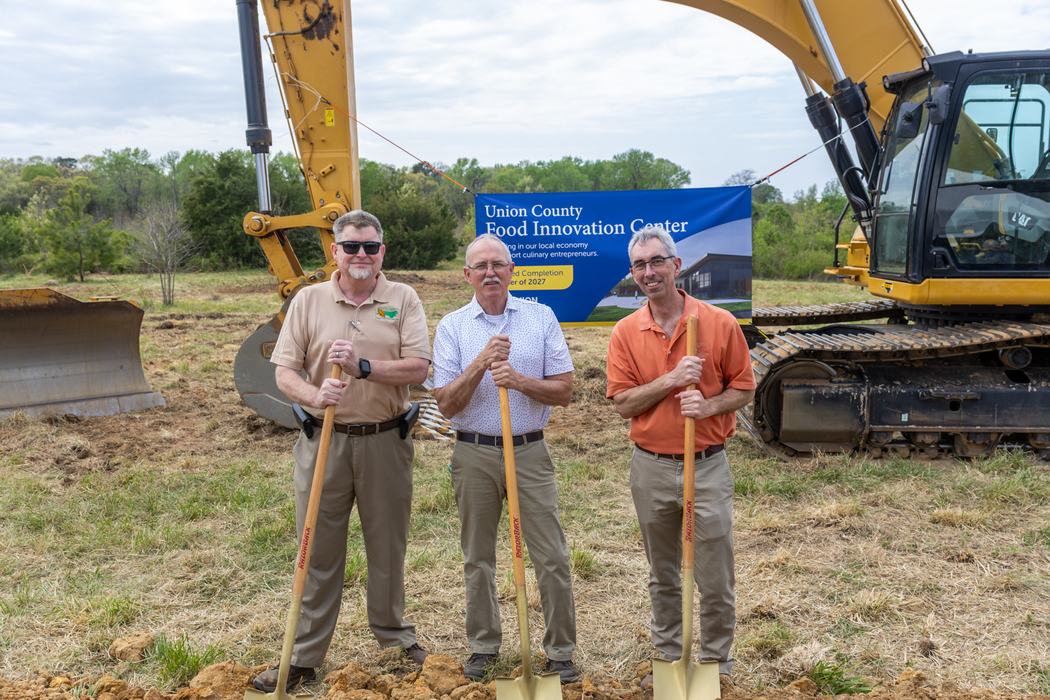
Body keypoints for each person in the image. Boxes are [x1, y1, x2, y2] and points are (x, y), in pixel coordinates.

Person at [254, 210, 431, 693]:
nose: (360, 255)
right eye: (351, 246)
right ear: (335, 251)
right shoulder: (309, 300)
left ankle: (394, 638)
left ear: (382, 251)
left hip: (385, 441)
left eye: (370, 247)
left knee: (387, 545)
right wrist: (314, 395)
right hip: (324, 442)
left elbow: (418, 368)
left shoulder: (403, 299)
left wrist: (363, 367)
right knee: (316, 549)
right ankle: (304, 655)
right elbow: (284, 371)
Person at [605, 225, 755, 688]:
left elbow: (744, 388)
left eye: (656, 262)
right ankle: (669, 659)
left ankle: (714, 663)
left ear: (676, 265)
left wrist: (708, 406)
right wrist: (671, 380)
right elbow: (623, 403)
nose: (649, 272)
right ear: (633, 273)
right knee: (663, 572)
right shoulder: (626, 332)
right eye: (639, 265)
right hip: (650, 466)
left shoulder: (718, 323)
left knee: (714, 571)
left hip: (706, 465)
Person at [431, 233, 581, 684]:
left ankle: (560, 653)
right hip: (473, 451)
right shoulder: (453, 326)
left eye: (498, 264)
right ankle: (483, 646)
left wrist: (517, 380)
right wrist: (481, 363)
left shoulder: (540, 317)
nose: (490, 272)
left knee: (550, 554)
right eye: (481, 266)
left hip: (529, 449)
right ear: (467, 275)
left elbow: (564, 390)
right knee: (477, 556)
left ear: (512, 270)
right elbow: (446, 404)